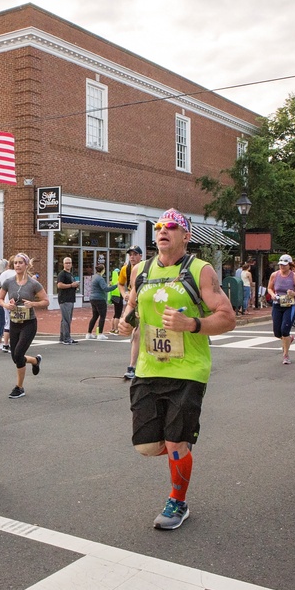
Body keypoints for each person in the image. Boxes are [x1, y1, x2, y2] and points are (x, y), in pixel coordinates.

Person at [117, 209, 236, 530]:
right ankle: (180, 445)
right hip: (148, 368)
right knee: (145, 446)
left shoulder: (201, 271)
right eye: (158, 226)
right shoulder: (140, 270)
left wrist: (192, 323)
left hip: (188, 369)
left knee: (174, 442)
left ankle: (178, 500)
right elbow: (132, 304)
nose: (163, 230)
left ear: (186, 236)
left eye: (172, 226)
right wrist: (125, 322)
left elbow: (228, 316)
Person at [0, 252, 48, 398]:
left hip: (29, 323)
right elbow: (0, 298)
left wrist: (32, 303)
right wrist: (7, 305)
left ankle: (19, 387)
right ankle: (34, 360)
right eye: (16, 263)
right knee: (15, 357)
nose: (18, 265)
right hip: (15, 322)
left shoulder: (33, 283)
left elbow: (46, 301)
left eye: (21, 263)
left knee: (19, 353)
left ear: (26, 265)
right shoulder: (8, 282)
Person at [267, 254, 295, 364]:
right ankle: (289, 338)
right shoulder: (274, 275)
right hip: (277, 304)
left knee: (285, 330)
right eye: (280, 265)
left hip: (290, 305)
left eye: (284, 265)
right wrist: (272, 294)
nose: (282, 267)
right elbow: (269, 288)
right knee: (277, 333)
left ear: (289, 265)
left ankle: (286, 355)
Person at [119, 245, 143, 379]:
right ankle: (132, 366)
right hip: (133, 303)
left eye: (135, 254)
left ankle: (134, 366)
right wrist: (124, 294)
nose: (132, 257)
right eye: (130, 255)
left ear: (140, 256)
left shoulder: (146, 268)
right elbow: (120, 284)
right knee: (135, 332)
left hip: (145, 302)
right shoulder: (125, 269)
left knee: (140, 333)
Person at [86, 264, 116, 339]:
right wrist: (116, 286)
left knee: (95, 316)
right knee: (102, 316)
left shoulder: (94, 277)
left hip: (92, 298)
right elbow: (105, 289)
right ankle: (100, 334)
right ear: (103, 270)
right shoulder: (100, 278)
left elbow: (101, 286)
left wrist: (108, 285)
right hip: (100, 299)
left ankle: (89, 333)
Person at [55, 256, 80, 344]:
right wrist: (71, 285)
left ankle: (62, 338)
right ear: (63, 264)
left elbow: (72, 284)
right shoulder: (62, 274)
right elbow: (59, 285)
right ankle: (66, 338)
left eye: (69, 263)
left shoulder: (70, 274)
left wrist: (76, 285)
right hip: (64, 299)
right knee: (66, 320)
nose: (68, 264)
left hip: (70, 298)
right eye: (66, 263)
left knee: (65, 319)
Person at [109, 264, 123, 333]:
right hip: (119, 297)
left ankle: (112, 328)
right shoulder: (119, 280)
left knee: (115, 313)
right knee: (118, 314)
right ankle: (116, 329)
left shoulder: (112, 280)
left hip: (114, 297)